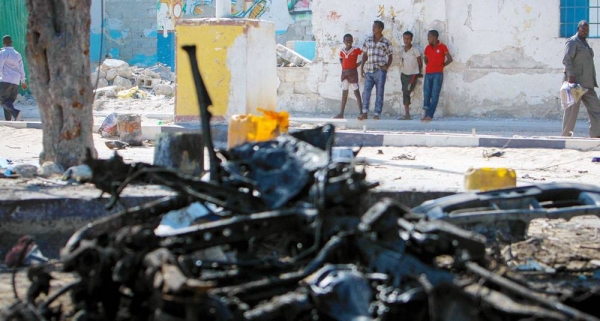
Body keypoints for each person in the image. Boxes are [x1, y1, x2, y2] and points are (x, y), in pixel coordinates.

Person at [561, 20, 600, 138]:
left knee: (596, 109)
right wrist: (570, 76)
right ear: (578, 29)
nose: (585, 32)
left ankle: (596, 135)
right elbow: (567, 59)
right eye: (583, 29)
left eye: (587, 30)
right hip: (576, 83)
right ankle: (565, 137)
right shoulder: (573, 42)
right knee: (572, 112)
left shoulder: (585, 43)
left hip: (588, 84)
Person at [358, 20, 393, 120]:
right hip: (369, 69)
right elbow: (364, 54)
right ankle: (364, 112)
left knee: (379, 92)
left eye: (376, 27)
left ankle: (377, 113)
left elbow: (390, 56)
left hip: (380, 70)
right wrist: (362, 68)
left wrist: (387, 66)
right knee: (366, 92)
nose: (373, 29)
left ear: (381, 29)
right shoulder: (368, 40)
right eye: (373, 27)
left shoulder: (386, 42)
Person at [421, 30, 452, 122]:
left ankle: (430, 115)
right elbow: (425, 59)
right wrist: (429, 65)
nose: (428, 38)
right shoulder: (427, 48)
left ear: (434, 37)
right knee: (426, 94)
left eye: (429, 36)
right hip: (428, 74)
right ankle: (426, 114)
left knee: (435, 94)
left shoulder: (442, 47)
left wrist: (442, 65)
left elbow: (450, 59)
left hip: (438, 74)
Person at [334, 34, 363, 119]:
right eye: (347, 40)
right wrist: (343, 66)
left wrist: (358, 64)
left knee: (356, 92)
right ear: (344, 42)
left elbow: (365, 54)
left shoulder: (356, 50)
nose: (348, 42)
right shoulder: (342, 51)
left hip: (353, 73)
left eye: (350, 40)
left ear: (352, 41)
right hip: (344, 74)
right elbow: (341, 58)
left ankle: (361, 112)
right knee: (344, 93)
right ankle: (341, 113)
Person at [0, 35, 27, 121]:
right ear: (11, 43)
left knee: (3, 100)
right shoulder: (17, 54)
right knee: (9, 102)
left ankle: (16, 113)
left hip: (5, 79)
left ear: (3, 43)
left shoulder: (3, 53)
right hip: (16, 80)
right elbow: (21, 68)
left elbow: (0, 65)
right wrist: (23, 81)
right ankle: (8, 120)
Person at [398, 31, 422, 120]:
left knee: (407, 90)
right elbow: (402, 61)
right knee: (405, 92)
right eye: (404, 38)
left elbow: (419, 61)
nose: (406, 40)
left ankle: (407, 114)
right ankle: (407, 114)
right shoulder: (402, 50)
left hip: (412, 74)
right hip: (404, 74)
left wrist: (419, 71)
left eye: (408, 39)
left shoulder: (415, 50)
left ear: (411, 39)